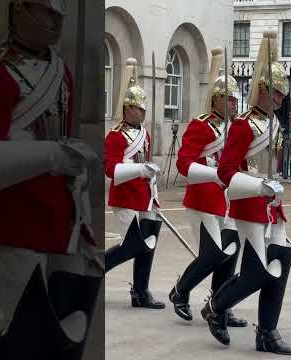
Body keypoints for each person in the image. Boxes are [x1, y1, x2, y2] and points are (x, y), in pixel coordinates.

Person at [0, 1, 102, 358]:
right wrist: (54, 156)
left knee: (68, 332)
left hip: (59, 217)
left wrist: (82, 220)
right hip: (13, 219)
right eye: (46, 11)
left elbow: (66, 145)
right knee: (35, 335)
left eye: (58, 13)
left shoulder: (61, 71)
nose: (56, 20)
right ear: (19, 12)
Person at [200, 32, 291, 356]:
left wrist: (273, 190)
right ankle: (217, 306)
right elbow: (226, 172)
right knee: (258, 272)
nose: (281, 99)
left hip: (272, 204)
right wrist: (258, 186)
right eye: (277, 93)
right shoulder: (242, 125)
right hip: (249, 201)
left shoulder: (275, 125)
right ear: (263, 90)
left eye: (284, 95)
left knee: (280, 264)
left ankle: (267, 332)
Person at [169, 47, 247, 327]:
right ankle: (180, 291)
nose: (234, 106)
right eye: (229, 100)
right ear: (216, 99)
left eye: (236, 101)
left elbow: (239, 164)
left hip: (227, 200)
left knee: (231, 251)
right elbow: (184, 163)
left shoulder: (235, 128)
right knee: (213, 253)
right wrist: (214, 174)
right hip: (203, 199)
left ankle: (219, 305)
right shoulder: (200, 126)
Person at [104, 58, 165, 310]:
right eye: (138, 109)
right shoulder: (116, 135)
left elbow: (145, 164)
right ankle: (97, 267)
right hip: (125, 195)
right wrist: (141, 169)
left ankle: (141, 291)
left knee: (148, 244)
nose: (142, 113)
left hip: (145, 194)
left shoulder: (145, 134)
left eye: (144, 109)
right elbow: (111, 169)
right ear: (127, 108)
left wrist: (151, 177)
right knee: (133, 245)